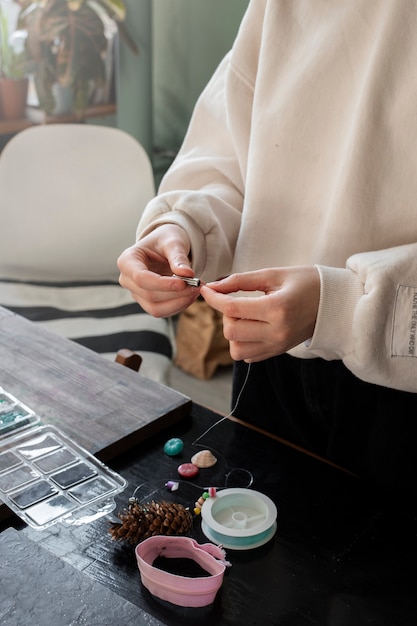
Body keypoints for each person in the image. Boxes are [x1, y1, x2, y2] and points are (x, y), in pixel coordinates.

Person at [118, 0, 417, 493]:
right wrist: (184, 226)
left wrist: (342, 306)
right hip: (270, 359)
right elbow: (236, 149)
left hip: (401, 389)